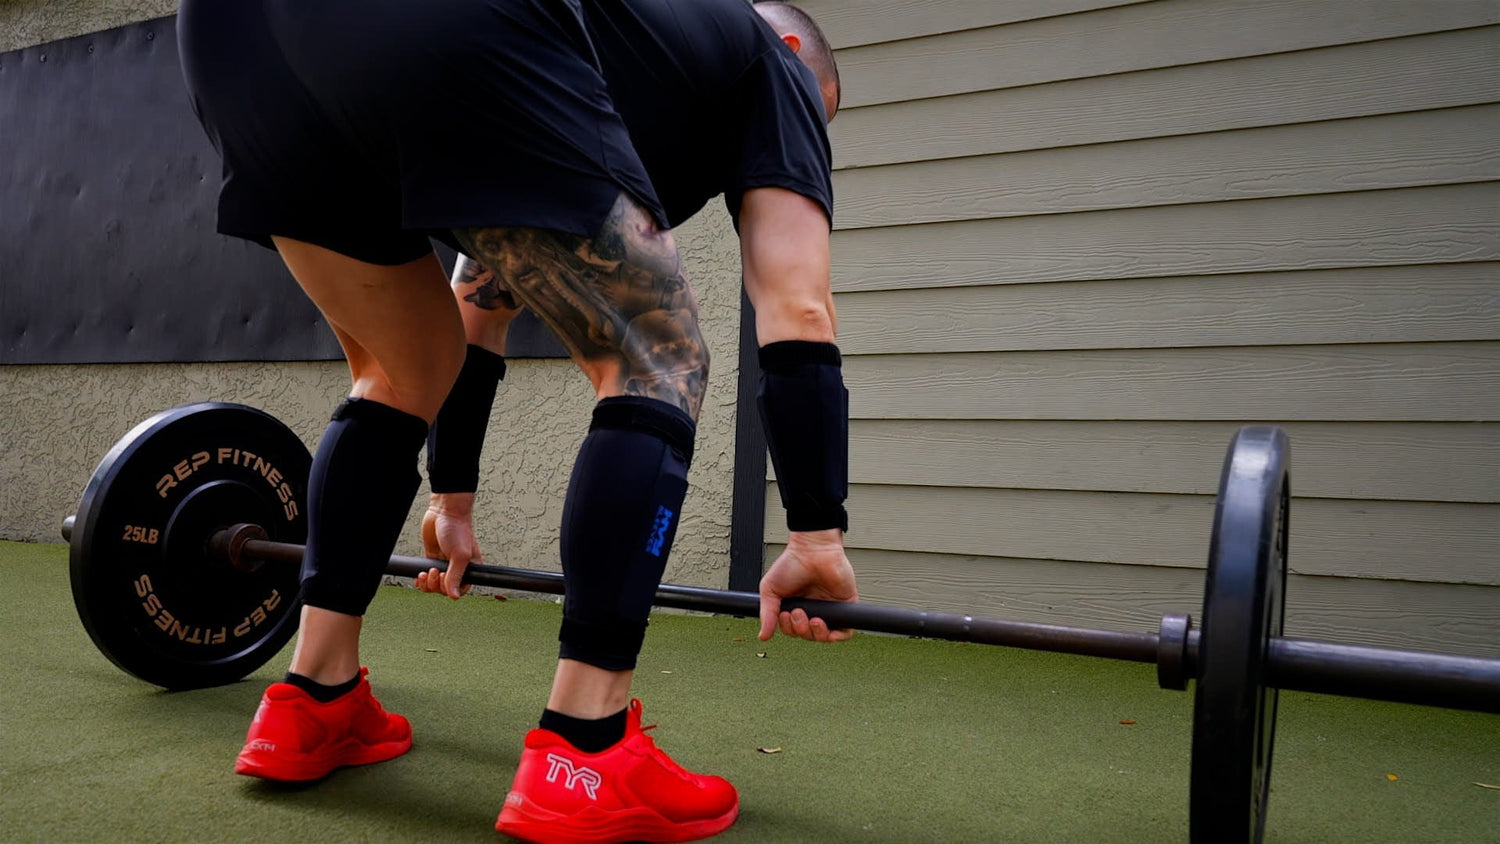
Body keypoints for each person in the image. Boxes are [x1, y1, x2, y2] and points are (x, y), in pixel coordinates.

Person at [177, 1, 854, 841]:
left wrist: (451, 503)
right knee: (656, 356)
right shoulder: (773, 62)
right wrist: (817, 533)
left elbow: (479, 309)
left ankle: (312, 699)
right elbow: (798, 306)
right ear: (796, 54)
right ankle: (587, 746)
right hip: (442, 25)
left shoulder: (618, 54)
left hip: (236, 37)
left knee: (399, 368)